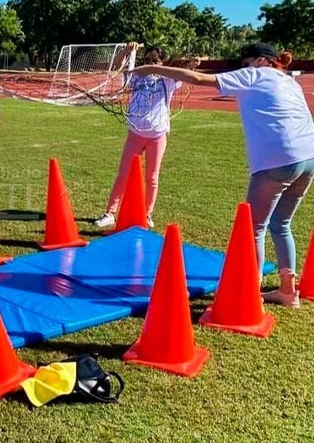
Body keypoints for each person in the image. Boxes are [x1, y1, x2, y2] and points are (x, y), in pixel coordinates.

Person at [131, 42, 314, 308]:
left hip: (278, 159)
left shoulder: (254, 74)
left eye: (246, 62)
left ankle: (248, 295)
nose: (243, 67)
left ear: (261, 60)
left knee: (252, 228)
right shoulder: (289, 82)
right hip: (308, 158)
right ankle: (287, 291)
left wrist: (151, 68)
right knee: (281, 224)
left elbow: (197, 78)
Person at [94, 43, 183, 229]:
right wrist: (127, 51)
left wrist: (191, 63)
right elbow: (119, 66)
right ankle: (110, 213)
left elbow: (181, 71)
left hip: (157, 135)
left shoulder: (167, 80)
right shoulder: (135, 77)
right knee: (123, 174)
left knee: (152, 177)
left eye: (155, 61)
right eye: (147, 60)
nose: (150, 64)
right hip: (135, 133)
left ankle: (147, 214)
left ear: (162, 62)